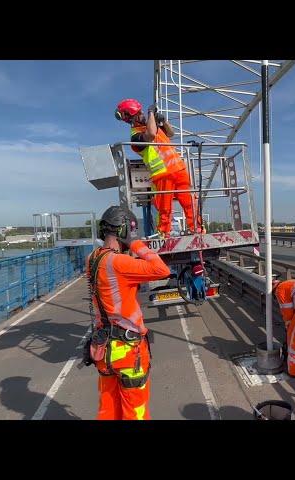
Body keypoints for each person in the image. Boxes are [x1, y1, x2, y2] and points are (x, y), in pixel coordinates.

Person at [86, 205, 171, 420]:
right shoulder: (120, 262)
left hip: (104, 349)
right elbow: (162, 270)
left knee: (108, 409)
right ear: (124, 230)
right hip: (127, 351)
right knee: (135, 412)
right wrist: (135, 242)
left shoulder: (92, 258)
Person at [114, 98, 201, 238]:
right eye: (140, 113)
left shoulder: (153, 125)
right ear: (133, 117)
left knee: (190, 203)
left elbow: (171, 133)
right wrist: (151, 113)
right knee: (164, 209)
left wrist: (164, 121)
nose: (143, 115)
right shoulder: (136, 137)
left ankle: (197, 230)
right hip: (162, 174)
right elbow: (151, 134)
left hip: (179, 169)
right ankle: (164, 234)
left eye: (143, 112)